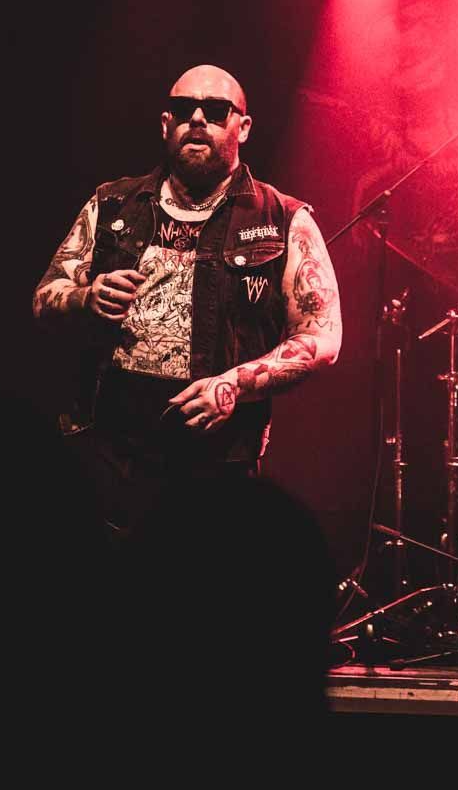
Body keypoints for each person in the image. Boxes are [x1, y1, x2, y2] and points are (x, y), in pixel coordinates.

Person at [32, 64, 342, 533]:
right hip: (107, 459)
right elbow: (44, 297)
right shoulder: (111, 205)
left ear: (243, 127)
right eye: (183, 109)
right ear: (165, 124)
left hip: (218, 465)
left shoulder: (283, 219)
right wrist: (85, 298)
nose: (197, 119)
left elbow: (323, 336)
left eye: (215, 110)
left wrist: (233, 385)